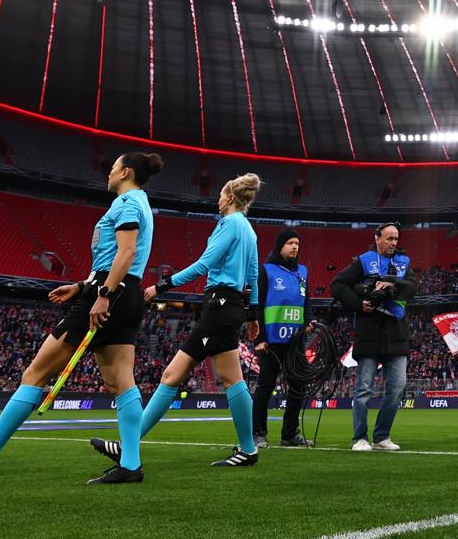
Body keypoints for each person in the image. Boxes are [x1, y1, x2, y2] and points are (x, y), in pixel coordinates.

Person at [0, 151, 159, 487]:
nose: (108, 173)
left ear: (125, 172)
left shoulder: (127, 204)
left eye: (112, 168)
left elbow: (126, 253)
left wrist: (101, 294)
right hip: (126, 294)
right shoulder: (140, 202)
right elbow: (124, 258)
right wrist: (82, 285)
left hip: (110, 294)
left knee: (35, 373)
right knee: (121, 382)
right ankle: (130, 465)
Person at [93, 173, 262, 470]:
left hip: (219, 305)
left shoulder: (229, 224)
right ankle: (128, 444)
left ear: (231, 198)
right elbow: (252, 277)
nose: (218, 200)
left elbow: (203, 265)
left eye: (221, 195)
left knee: (227, 378)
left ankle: (248, 449)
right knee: (174, 376)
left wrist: (161, 286)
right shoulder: (249, 230)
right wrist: (252, 314)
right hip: (229, 306)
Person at [334, 223, 418, 453]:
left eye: (396, 239)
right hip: (369, 334)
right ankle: (359, 438)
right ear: (377, 239)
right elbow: (338, 285)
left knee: (398, 387)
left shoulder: (403, 262)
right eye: (389, 238)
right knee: (364, 389)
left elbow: (413, 287)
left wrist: (393, 284)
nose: (393, 243)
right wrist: (358, 302)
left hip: (397, 334)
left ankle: (382, 435)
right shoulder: (362, 261)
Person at [252, 226, 313, 449]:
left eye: (297, 243)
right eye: (290, 243)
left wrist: (309, 321)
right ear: (280, 246)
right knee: (265, 387)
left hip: (295, 342)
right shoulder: (266, 271)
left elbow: (306, 303)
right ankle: (258, 434)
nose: (295, 247)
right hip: (271, 342)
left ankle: (289, 434)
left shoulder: (303, 272)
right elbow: (256, 306)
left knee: (298, 387)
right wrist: (258, 338)